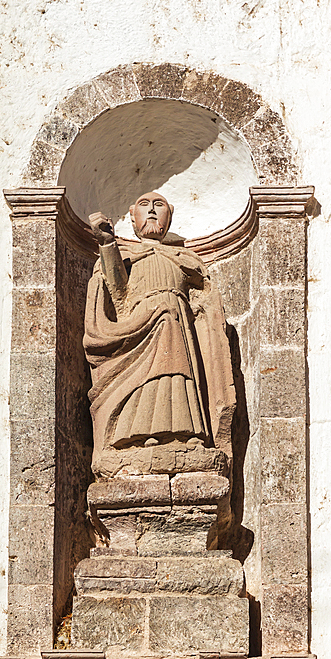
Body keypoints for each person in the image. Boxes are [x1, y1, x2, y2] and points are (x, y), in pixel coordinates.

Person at [84, 191, 235, 478]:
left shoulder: (184, 258)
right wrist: (106, 243)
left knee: (180, 374)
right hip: (141, 328)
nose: (152, 211)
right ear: (131, 216)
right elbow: (118, 293)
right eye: (144, 206)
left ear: (171, 214)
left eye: (159, 205)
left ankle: (188, 435)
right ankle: (135, 437)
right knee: (143, 382)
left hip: (177, 323)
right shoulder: (124, 255)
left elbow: (206, 300)